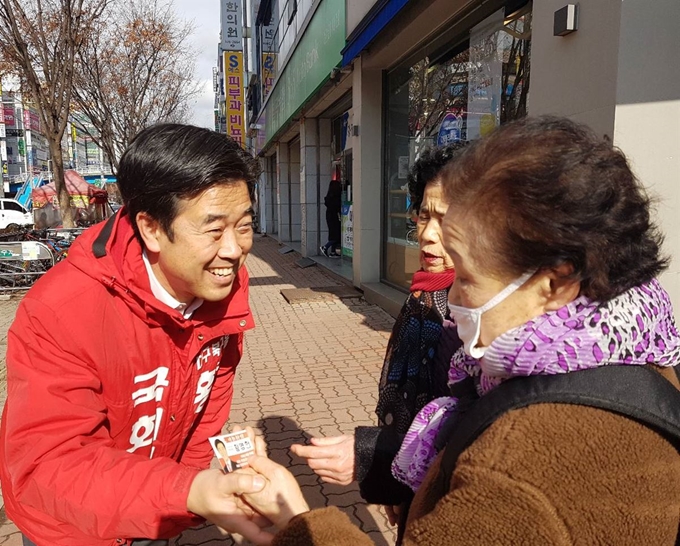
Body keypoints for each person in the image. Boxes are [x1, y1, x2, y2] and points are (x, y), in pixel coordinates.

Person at [239, 116, 680, 544]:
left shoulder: (517, 466)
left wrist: (295, 521)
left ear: (554, 280)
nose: (455, 299)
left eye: (467, 278)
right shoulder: (634, 353)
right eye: (423, 216)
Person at [0, 124, 273, 546]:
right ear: (150, 228)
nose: (235, 250)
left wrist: (204, 483)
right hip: (71, 530)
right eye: (214, 230)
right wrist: (188, 491)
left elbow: (211, 395)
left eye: (244, 225)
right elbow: (47, 465)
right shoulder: (60, 310)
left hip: (159, 510)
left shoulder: (221, 284)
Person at [292, 143, 465, 511]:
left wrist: (373, 453)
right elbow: (401, 392)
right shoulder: (423, 289)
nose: (428, 234)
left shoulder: (476, 313)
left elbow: (468, 425)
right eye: (423, 216)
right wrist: (392, 482)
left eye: (447, 220)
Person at [320, 178, 342, 257]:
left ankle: (333, 252)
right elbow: (338, 206)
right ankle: (325, 247)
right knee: (336, 235)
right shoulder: (335, 198)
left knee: (333, 234)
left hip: (330, 218)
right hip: (334, 218)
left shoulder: (329, 197)